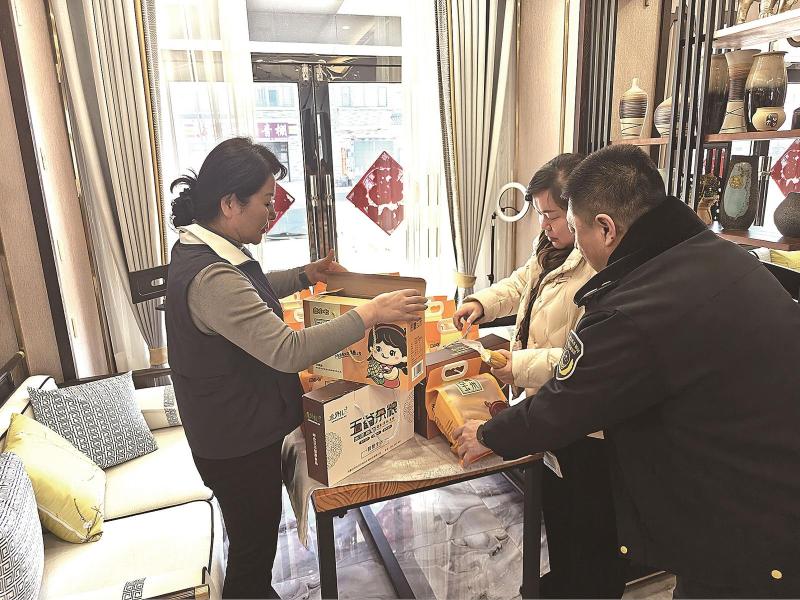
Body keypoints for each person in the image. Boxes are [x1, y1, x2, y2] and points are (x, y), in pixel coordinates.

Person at [454, 144, 800, 599]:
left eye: (575, 227)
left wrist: (488, 434)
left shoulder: (639, 305)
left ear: (606, 228)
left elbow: (567, 400)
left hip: (748, 519)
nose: (574, 242)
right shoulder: (714, 253)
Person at [165, 137, 426, 599]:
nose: (271, 213)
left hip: (229, 431)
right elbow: (287, 350)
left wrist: (307, 275)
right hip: (235, 444)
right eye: (266, 202)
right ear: (230, 203)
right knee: (252, 553)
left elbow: (252, 291)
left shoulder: (205, 249)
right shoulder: (212, 277)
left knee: (253, 543)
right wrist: (370, 313)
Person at [454, 153, 628, 598]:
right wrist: (481, 303)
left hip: (587, 423)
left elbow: (584, 358)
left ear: (580, 212)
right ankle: (567, 579)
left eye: (552, 215)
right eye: (540, 214)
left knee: (591, 522)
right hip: (547, 405)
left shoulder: (599, 265)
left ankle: (588, 587)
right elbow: (520, 284)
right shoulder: (550, 251)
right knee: (557, 506)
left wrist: (515, 365)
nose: (545, 225)